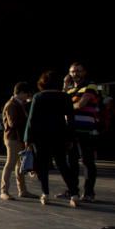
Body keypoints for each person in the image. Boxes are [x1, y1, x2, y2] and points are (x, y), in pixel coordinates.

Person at [24, 71, 80, 207]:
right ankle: (74, 194)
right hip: (59, 135)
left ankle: (45, 194)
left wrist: (27, 138)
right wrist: (71, 138)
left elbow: (31, 120)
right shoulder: (65, 97)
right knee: (63, 165)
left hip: (41, 137)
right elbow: (71, 120)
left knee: (42, 166)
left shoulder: (38, 97)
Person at [66, 62, 101, 201]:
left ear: (84, 72)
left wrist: (67, 107)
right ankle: (72, 190)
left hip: (86, 130)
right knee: (71, 161)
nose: (76, 74)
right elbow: (63, 103)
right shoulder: (68, 90)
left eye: (79, 71)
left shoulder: (90, 85)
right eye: (73, 71)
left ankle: (89, 193)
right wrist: (64, 84)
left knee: (87, 161)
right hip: (71, 129)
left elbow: (81, 104)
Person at [0, 82, 36, 201]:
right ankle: (4, 191)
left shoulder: (19, 104)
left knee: (19, 165)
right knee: (11, 163)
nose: (27, 97)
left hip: (18, 138)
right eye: (26, 94)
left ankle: (22, 190)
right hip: (12, 138)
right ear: (21, 93)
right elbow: (12, 123)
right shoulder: (12, 104)